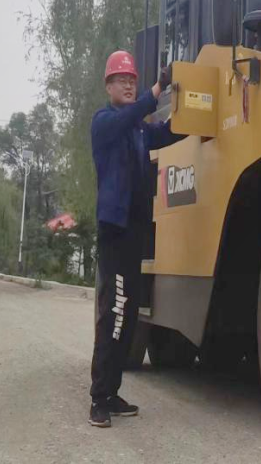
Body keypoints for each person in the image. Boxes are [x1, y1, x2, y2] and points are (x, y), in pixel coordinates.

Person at [88, 50, 184, 428]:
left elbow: (169, 132)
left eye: (132, 80)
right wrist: (158, 88)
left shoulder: (141, 130)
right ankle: (98, 398)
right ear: (108, 86)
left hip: (135, 231)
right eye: (121, 80)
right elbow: (132, 114)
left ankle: (112, 393)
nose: (128, 85)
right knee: (113, 312)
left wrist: (195, 108)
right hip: (115, 231)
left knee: (127, 316)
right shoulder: (105, 122)